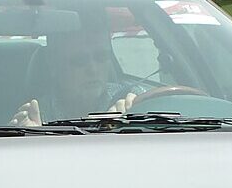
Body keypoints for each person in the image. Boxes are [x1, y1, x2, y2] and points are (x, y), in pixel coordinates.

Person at [12, 27, 142, 125]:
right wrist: (31, 137)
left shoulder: (128, 97)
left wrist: (138, 113)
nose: (93, 69)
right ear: (54, 66)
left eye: (101, 57)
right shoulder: (35, 115)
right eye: (80, 60)